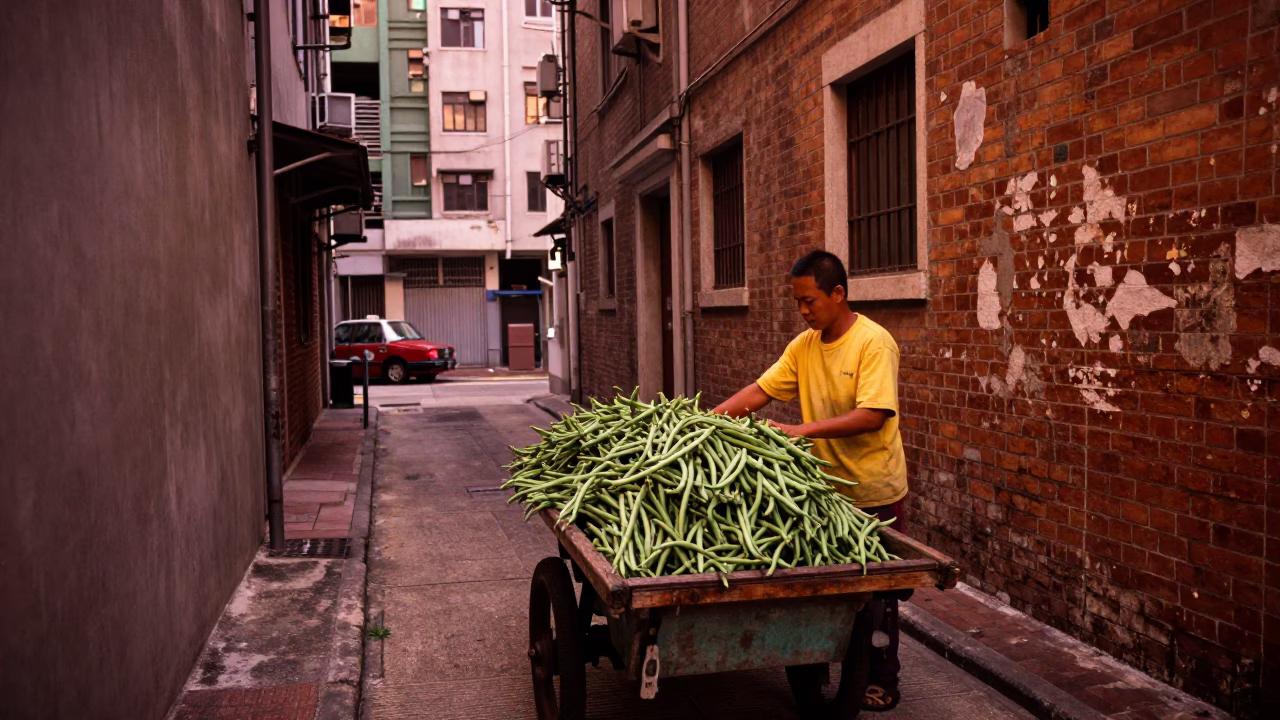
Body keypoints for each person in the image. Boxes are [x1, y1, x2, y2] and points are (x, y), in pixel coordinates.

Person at [712, 249, 908, 712]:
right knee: (815, 587)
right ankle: (813, 663)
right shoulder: (804, 346)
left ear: (838, 294)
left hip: (872, 491)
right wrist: (703, 422)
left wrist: (799, 431)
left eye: (810, 301)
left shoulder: (873, 343)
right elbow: (760, 391)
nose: (803, 311)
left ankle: (882, 677)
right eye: (798, 301)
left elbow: (873, 415)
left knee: (876, 597)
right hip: (823, 493)